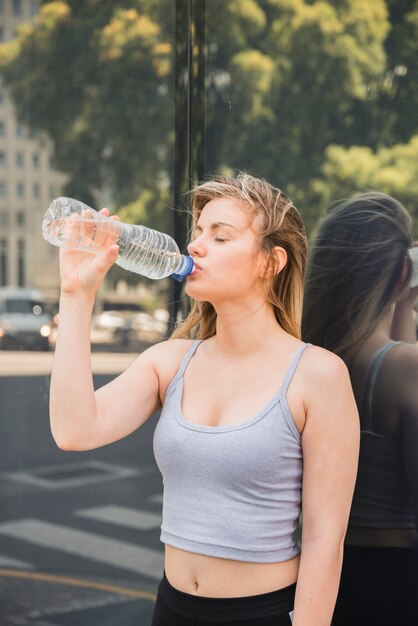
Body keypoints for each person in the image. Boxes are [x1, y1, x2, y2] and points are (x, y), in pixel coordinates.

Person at [49, 173, 359, 626]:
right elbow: (74, 430)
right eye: (197, 233)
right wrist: (76, 295)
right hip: (172, 609)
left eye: (220, 236)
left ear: (270, 262)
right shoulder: (170, 362)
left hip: (263, 614)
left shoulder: (318, 376)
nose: (195, 246)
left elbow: (324, 540)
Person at [302, 192, 418, 626]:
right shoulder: (403, 370)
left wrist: (402, 301)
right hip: (394, 581)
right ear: (401, 273)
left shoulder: (305, 360)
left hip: (319, 578)